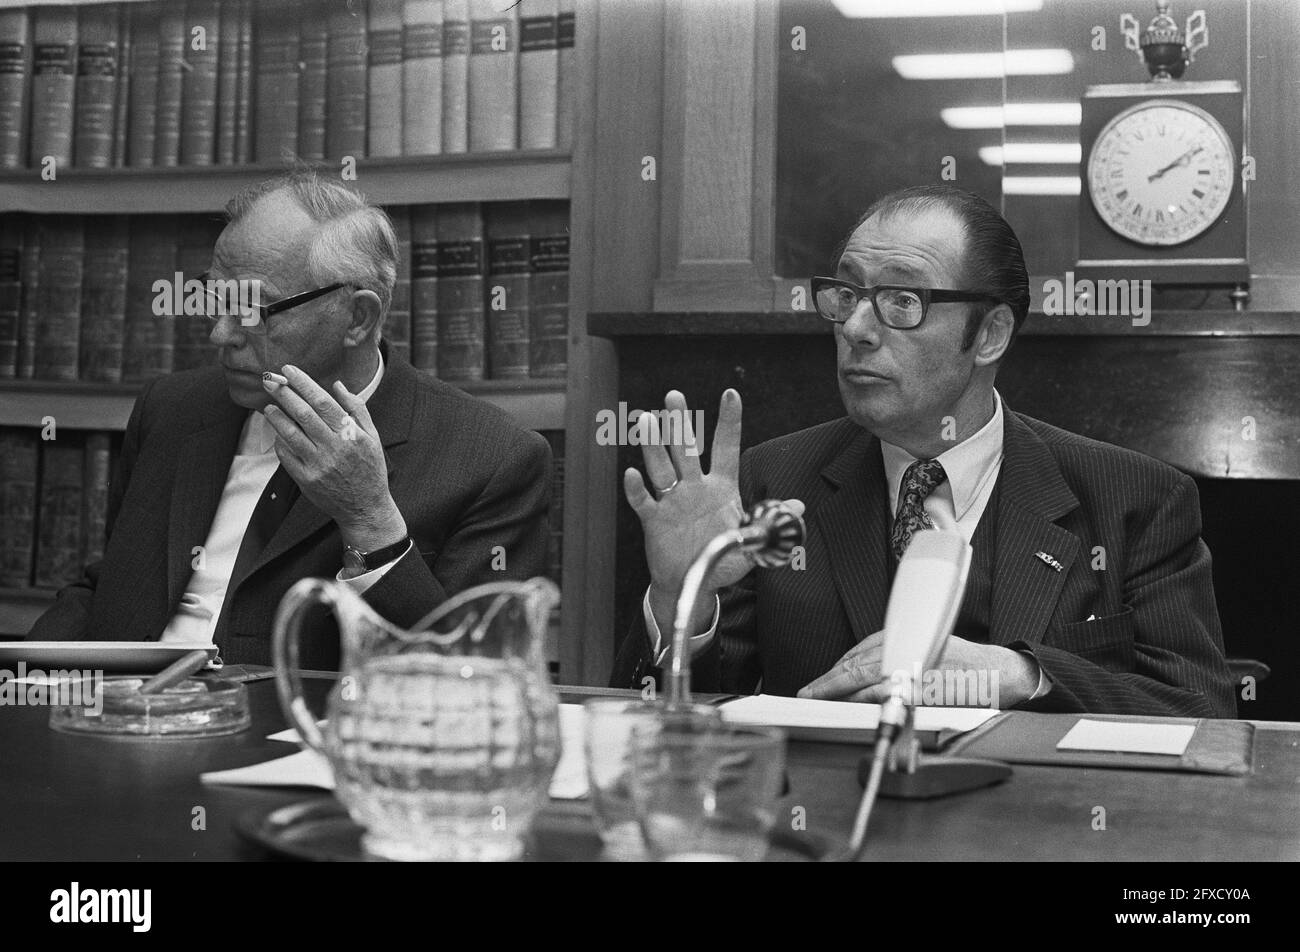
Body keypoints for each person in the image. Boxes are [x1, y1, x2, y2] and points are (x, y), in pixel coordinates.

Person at [613, 185, 1235, 718]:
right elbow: (672, 724)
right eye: (847, 294)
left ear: (989, 334)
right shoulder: (772, 484)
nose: (857, 327)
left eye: (902, 301)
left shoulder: (1134, 498)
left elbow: (1203, 713)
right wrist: (681, 601)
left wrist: (1018, 676)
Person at [28, 170, 551, 669]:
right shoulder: (173, 408)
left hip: (288, 739)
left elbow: (475, 682)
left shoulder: (493, 459)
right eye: (216, 299)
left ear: (358, 317)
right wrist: (22, 681)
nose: (221, 334)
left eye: (255, 309)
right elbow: (109, 587)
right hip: (122, 719)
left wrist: (370, 519)